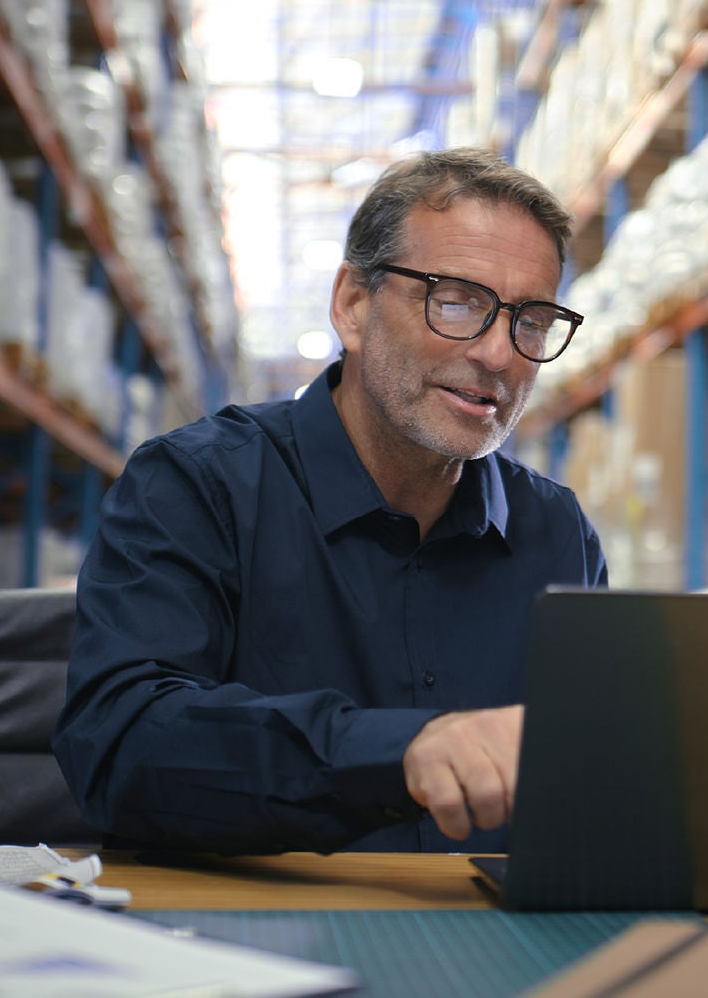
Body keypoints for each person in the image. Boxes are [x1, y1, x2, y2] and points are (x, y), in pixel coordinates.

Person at [54, 149, 605, 855]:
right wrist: (400, 751)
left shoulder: (557, 535)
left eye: (530, 321)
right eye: (457, 301)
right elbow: (119, 743)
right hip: (254, 941)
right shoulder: (197, 487)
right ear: (353, 304)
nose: (499, 355)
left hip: (489, 944)